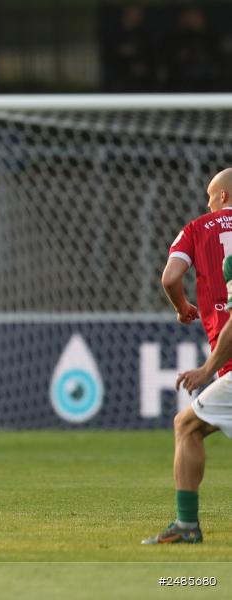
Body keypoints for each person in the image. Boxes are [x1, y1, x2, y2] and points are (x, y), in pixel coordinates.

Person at [143, 168, 232, 544]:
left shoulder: (199, 228)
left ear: (223, 197)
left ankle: (186, 526)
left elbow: (169, 277)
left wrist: (182, 309)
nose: (208, 203)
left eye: (210, 196)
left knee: (186, 425)